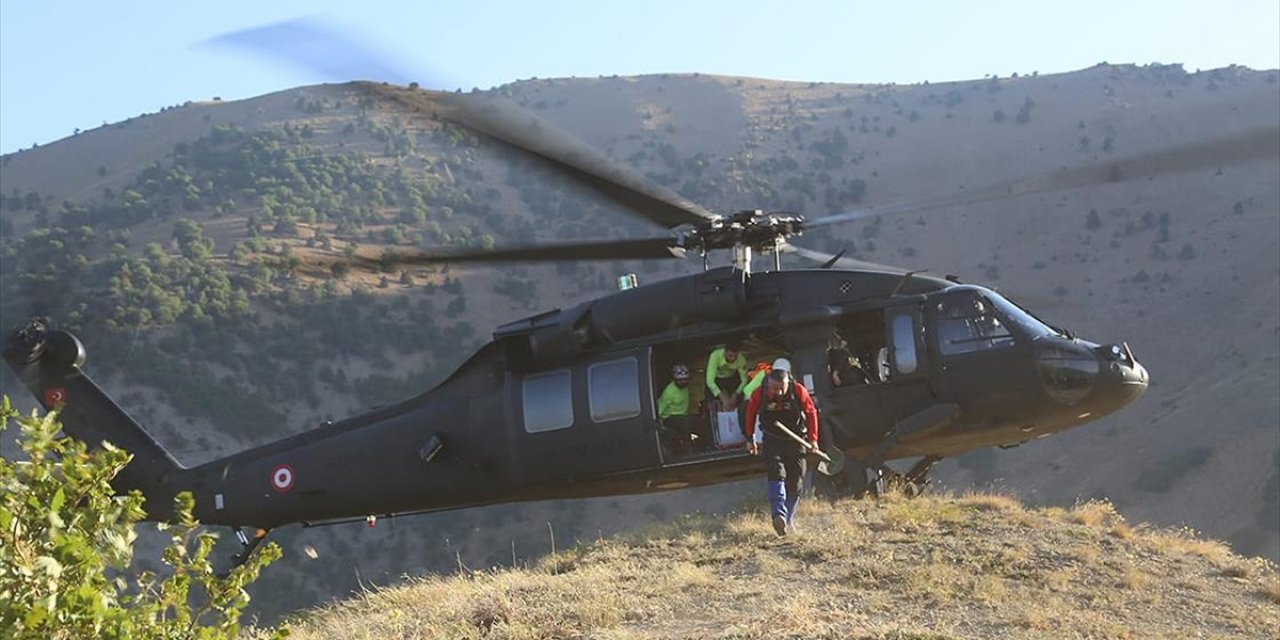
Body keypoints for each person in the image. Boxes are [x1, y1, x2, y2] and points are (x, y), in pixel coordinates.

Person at [744, 362, 819, 536]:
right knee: (776, 472)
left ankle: (788, 520)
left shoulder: (798, 390)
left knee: (796, 479)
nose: (776, 393)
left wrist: (813, 440)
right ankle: (778, 513)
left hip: (797, 440)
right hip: (772, 439)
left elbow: (811, 412)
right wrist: (750, 438)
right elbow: (750, 413)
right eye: (773, 388)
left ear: (787, 385)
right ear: (768, 384)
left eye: (780, 389)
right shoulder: (759, 393)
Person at [658, 364, 705, 453]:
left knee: (697, 420)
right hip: (669, 418)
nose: (683, 382)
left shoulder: (685, 387)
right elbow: (659, 409)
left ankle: (703, 446)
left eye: (685, 379)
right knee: (685, 422)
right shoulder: (669, 393)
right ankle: (688, 450)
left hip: (683, 415)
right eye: (680, 380)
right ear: (674, 379)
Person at [706, 339, 748, 411]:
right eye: (730, 355)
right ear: (725, 351)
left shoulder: (741, 359)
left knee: (740, 395)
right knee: (709, 394)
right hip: (717, 378)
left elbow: (744, 380)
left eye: (735, 356)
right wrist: (721, 396)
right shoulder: (715, 356)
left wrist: (736, 394)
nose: (733, 358)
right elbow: (709, 381)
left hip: (731, 378)